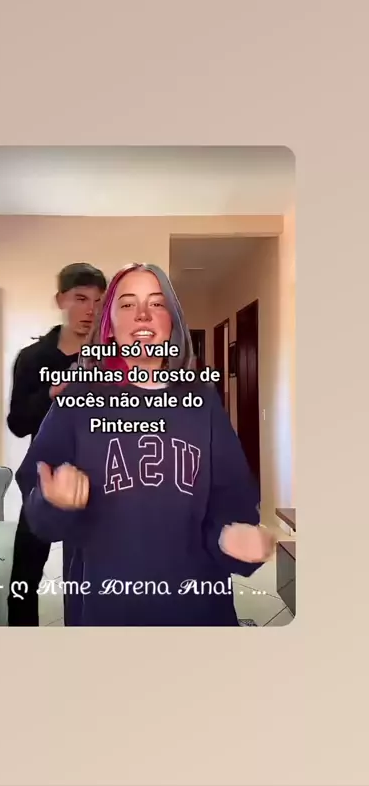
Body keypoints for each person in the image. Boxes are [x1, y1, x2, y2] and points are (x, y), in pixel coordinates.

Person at [15, 263, 275, 626]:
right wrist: (54, 502)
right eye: (127, 304)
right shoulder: (78, 398)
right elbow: (37, 498)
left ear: (171, 322)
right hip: (105, 610)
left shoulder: (203, 400)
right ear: (109, 324)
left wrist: (237, 540)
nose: (142, 314)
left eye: (156, 303)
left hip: (198, 609)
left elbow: (233, 498)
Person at [6, 262, 107, 626]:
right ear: (61, 300)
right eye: (80, 298)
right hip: (45, 478)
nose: (90, 310)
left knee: (94, 579)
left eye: (98, 301)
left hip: (101, 481)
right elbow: (17, 424)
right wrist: (53, 391)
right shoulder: (32, 359)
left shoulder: (114, 358)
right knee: (24, 576)